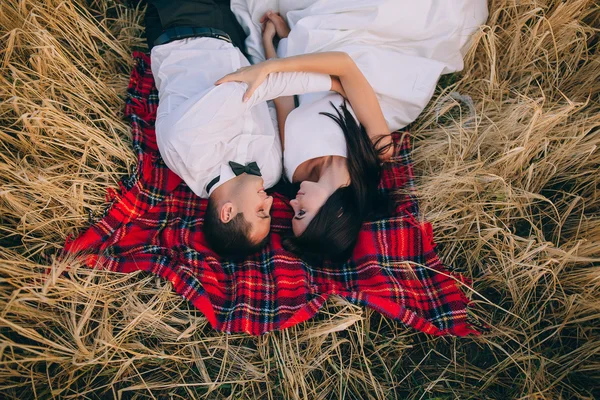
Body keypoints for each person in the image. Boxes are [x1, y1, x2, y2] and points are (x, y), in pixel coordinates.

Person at [144, 0, 342, 257]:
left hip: (184, 23)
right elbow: (276, 104)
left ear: (227, 212)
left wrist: (334, 82)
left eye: (261, 211)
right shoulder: (269, 173)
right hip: (234, 38)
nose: (270, 201)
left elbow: (255, 87)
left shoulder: (188, 147)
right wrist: (269, 43)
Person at [217, 12, 393, 262]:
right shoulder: (376, 150)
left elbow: (285, 101)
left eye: (293, 214)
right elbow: (346, 66)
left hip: (304, 55)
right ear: (338, 213)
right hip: (352, 47)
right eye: (302, 213)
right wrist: (271, 67)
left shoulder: (293, 172)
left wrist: (274, 43)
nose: (291, 204)